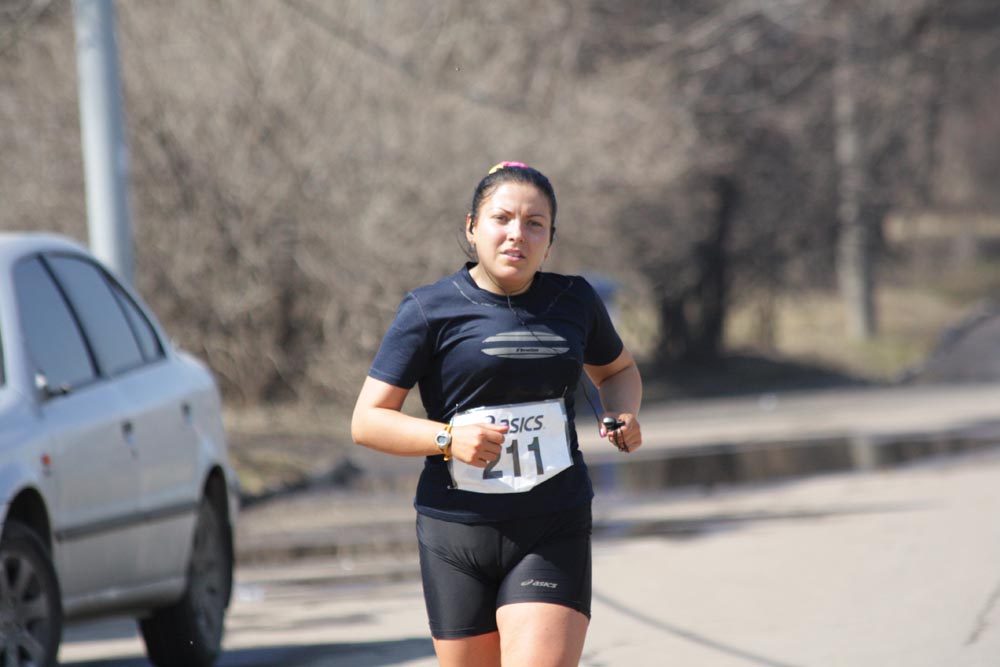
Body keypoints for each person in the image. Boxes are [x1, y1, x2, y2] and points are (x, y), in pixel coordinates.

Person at [351, 161, 642, 667]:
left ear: (550, 239)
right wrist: (448, 438)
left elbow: (618, 370)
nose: (517, 234)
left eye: (535, 223)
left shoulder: (574, 300)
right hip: (456, 532)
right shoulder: (428, 309)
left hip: (553, 522)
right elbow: (368, 421)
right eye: (501, 218)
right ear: (472, 227)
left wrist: (621, 413)